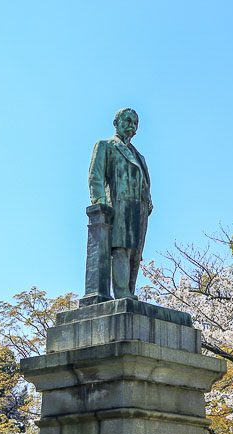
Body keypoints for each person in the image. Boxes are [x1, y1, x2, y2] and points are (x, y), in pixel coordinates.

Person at [88, 108, 153, 300]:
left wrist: (148, 199)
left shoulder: (140, 156)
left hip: (139, 209)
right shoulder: (106, 146)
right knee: (121, 248)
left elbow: (144, 182)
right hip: (118, 204)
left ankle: (129, 290)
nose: (131, 125)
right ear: (116, 123)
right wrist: (100, 204)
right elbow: (96, 177)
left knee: (135, 252)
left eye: (135, 123)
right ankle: (122, 292)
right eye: (127, 121)